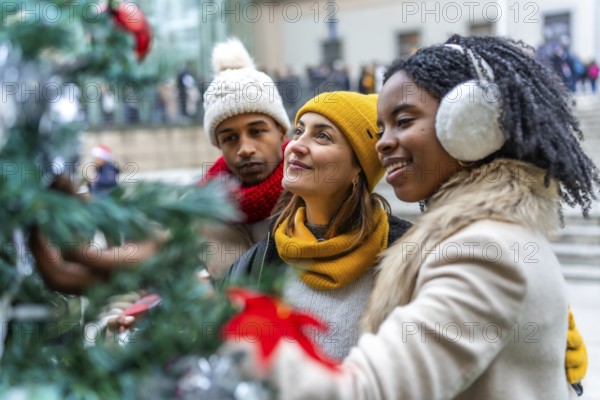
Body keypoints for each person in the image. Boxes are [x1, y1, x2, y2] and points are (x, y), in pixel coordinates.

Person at [225, 35, 596, 398]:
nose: (384, 142)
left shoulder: (484, 249)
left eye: (403, 121)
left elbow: (365, 390)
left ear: (470, 123)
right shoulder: (482, 237)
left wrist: (225, 332)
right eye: (382, 127)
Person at [227, 91, 412, 361]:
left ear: (357, 167)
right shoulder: (263, 257)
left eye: (322, 136)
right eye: (299, 131)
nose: (296, 146)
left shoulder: (405, 254)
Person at [199, 38, 291, 279]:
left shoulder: (318, 198)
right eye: (229, 138)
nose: (245, 149)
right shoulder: (199, 214)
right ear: (217, 144)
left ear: (281, 131)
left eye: (257, 131)